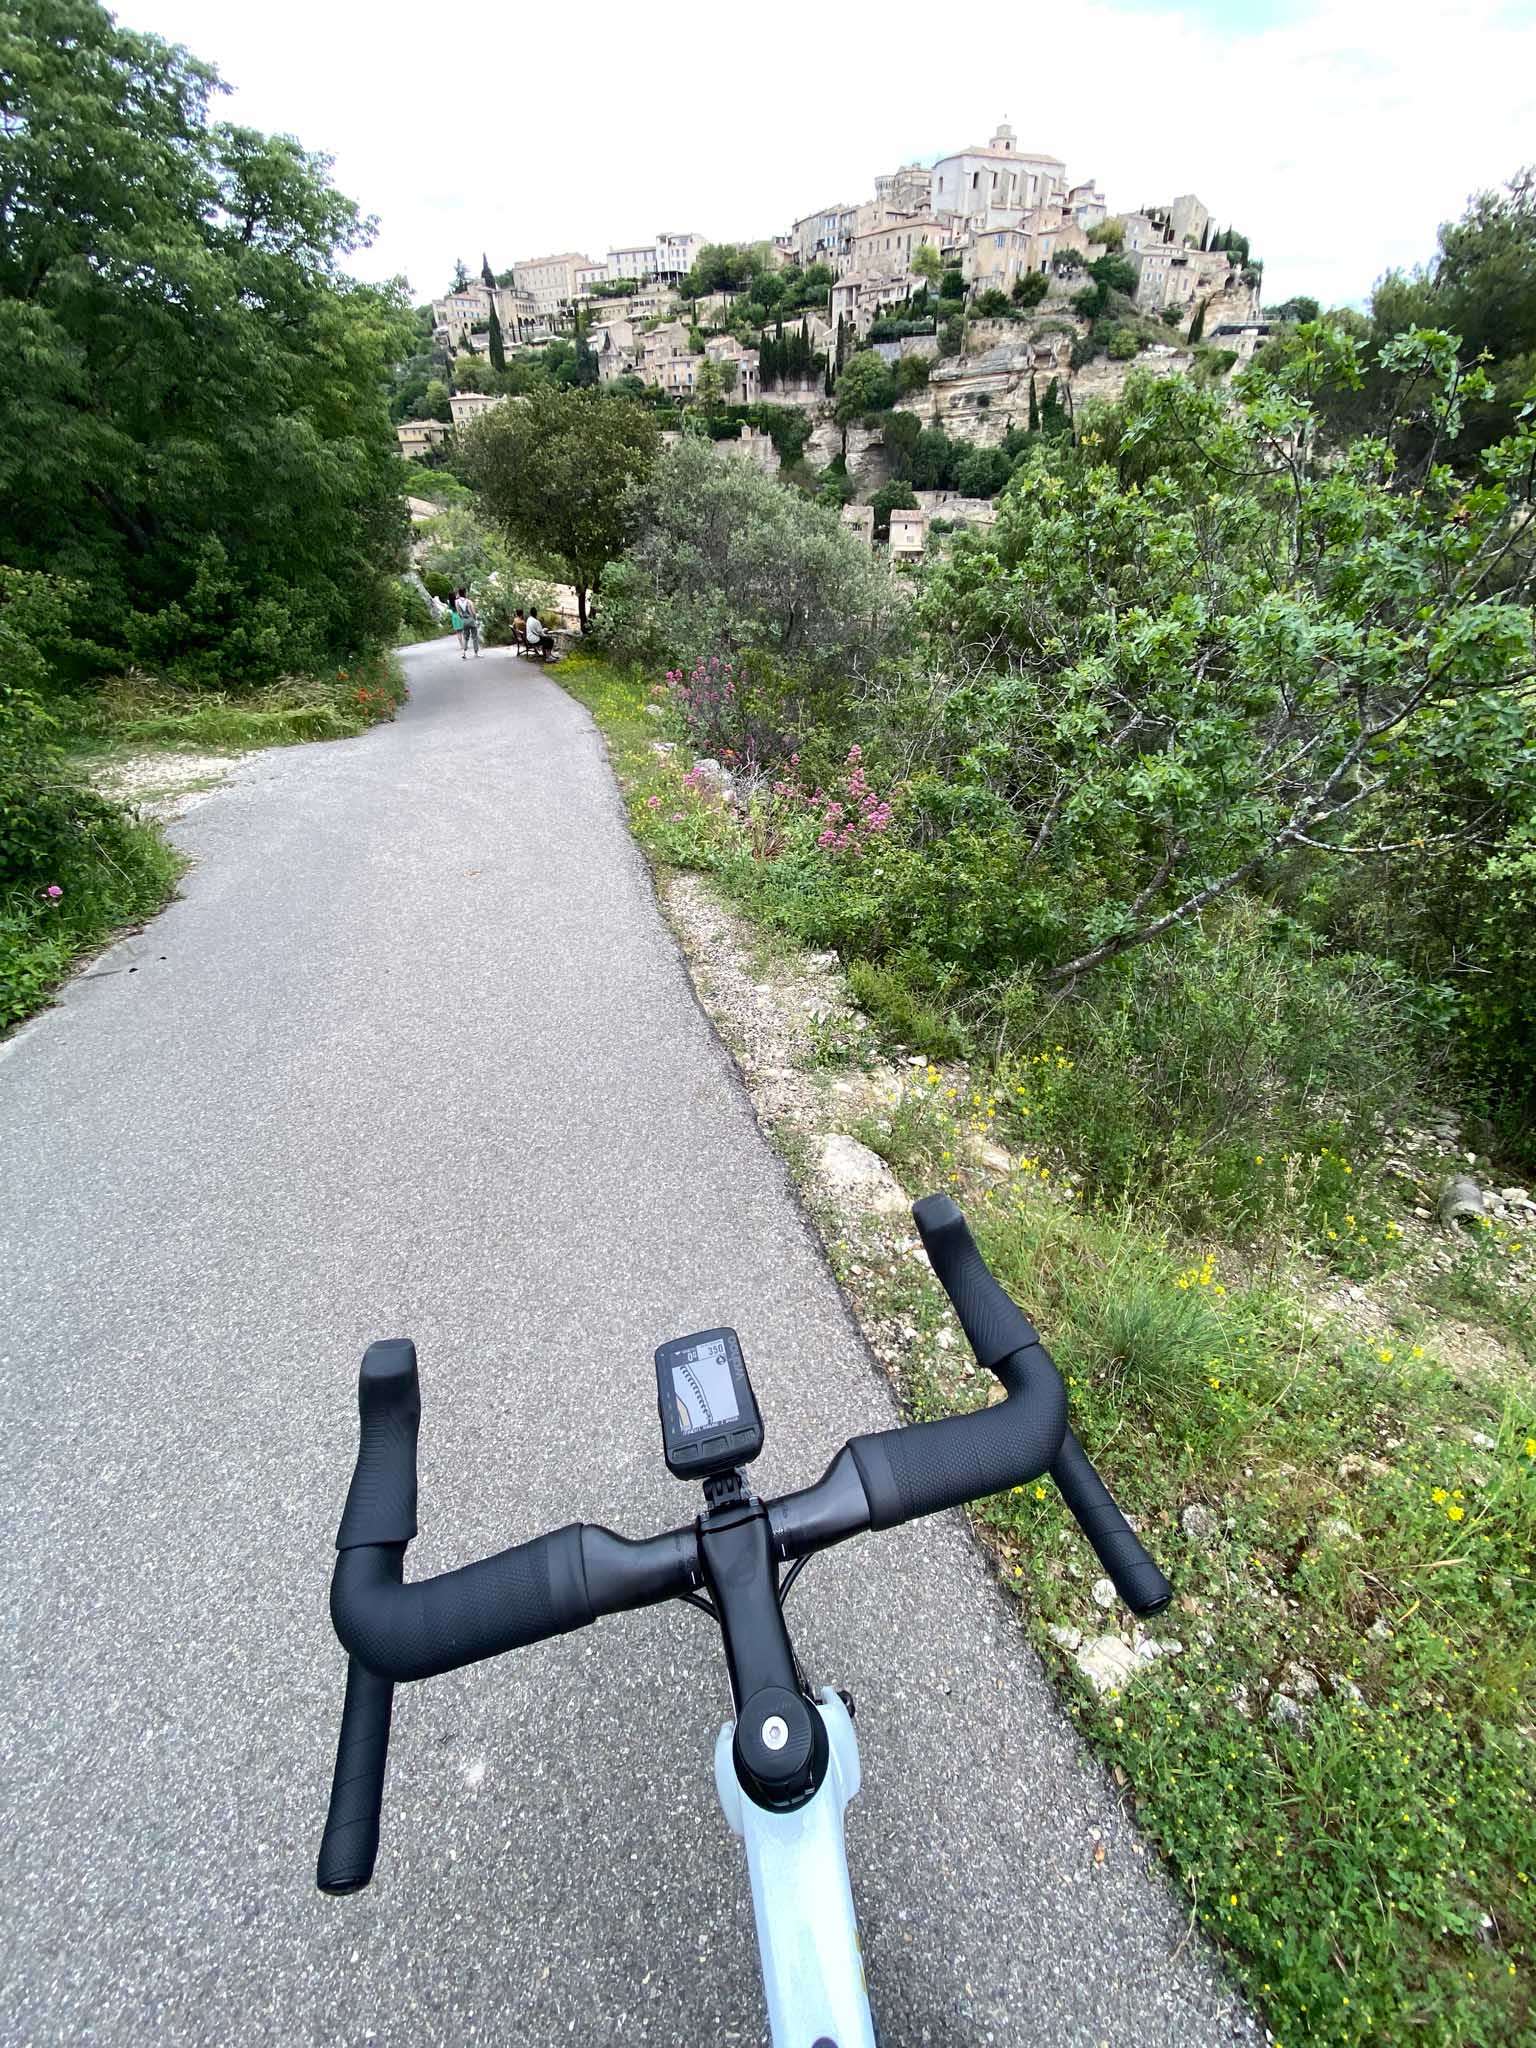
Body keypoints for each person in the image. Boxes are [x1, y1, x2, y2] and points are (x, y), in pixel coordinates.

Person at [459, 591, 481, 659]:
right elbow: (473, 612)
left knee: (465, 637)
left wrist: (463, 619)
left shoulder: (458, 602)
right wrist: (475, 618)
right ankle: (476, 653)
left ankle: (464, 652)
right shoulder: (469, 602)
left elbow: (459, 613)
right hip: (471, 620)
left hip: (464, 620)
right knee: (475, 637)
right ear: (465, 593)